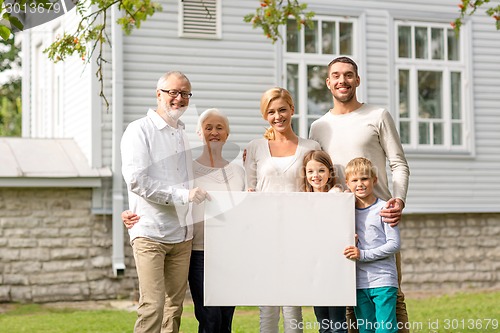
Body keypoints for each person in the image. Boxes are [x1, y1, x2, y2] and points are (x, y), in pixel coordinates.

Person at [309, 56, 410, 332]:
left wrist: (398, 200)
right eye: (337, 76)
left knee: (390, 295)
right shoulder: (319, 126)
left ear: (358, 80)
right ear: (328, 83)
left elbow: (398, 163)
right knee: (347, 299)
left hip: (378, 220)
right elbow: (314, 171)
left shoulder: (378, 115)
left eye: (349, 75)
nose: (343, 80)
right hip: (340, 224)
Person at [124, 108, 245, 333]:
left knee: (225, 319)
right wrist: (130, 210)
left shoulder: (238, 171)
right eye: (208, 127)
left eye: (220, 128)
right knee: (209, 318)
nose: (214, 132)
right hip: (198, 250)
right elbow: (159, 186)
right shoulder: (187, 169)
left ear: (227, 134)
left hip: (229, 252)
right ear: (199, 133)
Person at [121, 71, 209, 333]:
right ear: (158, 93)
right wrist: (183, 196)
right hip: (151, 233)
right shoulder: (139, 130)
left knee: (175, 308)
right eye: (173, 92)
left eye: (185, 94)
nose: (179, 98)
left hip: (182, 236)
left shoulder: (183, 134)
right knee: (152, 306)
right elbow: (136, 180)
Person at [245, 87, 321, 333]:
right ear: (265, 115)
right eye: (271, 112)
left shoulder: (311, 146)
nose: (278, 116)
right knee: (267, 304)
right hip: (265, 232)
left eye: (282, 110)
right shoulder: (255, 147)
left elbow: (318, 187)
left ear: (292, 110)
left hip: (298, 231)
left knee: (292, 302)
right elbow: (250, 189)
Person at [343, 157, 400, 333]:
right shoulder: (346, 211)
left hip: (383, 280)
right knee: (366, 329)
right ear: (347, 183)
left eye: (364, 179)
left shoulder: (384, 208)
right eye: (354, 180)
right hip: (359, 283)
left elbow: (394, 244)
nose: (360, 184)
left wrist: (363, 254)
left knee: (385, 330)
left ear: (374, 180)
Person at [300, 150, 346, 333]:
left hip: (334, 265)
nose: (315, 176)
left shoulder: (337, 194)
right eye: (310, 171)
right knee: (323, 325)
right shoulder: (303, 199)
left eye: (321, 170)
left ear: (330, 172)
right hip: (314, 267)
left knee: (337, 325)